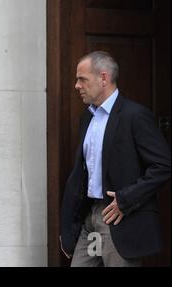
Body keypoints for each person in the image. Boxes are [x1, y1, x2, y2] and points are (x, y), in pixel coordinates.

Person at [60, 51, 171, 266]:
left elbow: (163, 165)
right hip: (88, 219)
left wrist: (125, 199)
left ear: (103, 78)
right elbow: (82, 173)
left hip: (119, 219)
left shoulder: (135, 116)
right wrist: (68, 225)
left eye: (82, 79)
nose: (76, 85)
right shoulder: (87, 117)